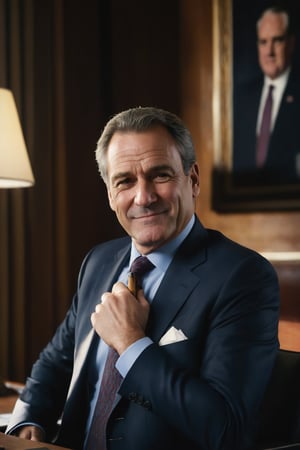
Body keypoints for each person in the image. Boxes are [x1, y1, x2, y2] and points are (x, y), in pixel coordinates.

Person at [7, 107, 280, 450]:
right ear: (110, 193)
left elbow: (224, 428)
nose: (143, 197)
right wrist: (28, 420)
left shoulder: (242, 276)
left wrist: (131, 344)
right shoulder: (99, 261)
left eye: (160, 175)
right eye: (125, 181)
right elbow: (55, 363)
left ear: (192, 180)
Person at [233, 5, 300, 185]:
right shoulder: (241, 98)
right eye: (263, 42)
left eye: (277, 41)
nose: (269, 51)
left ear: (291, 43)